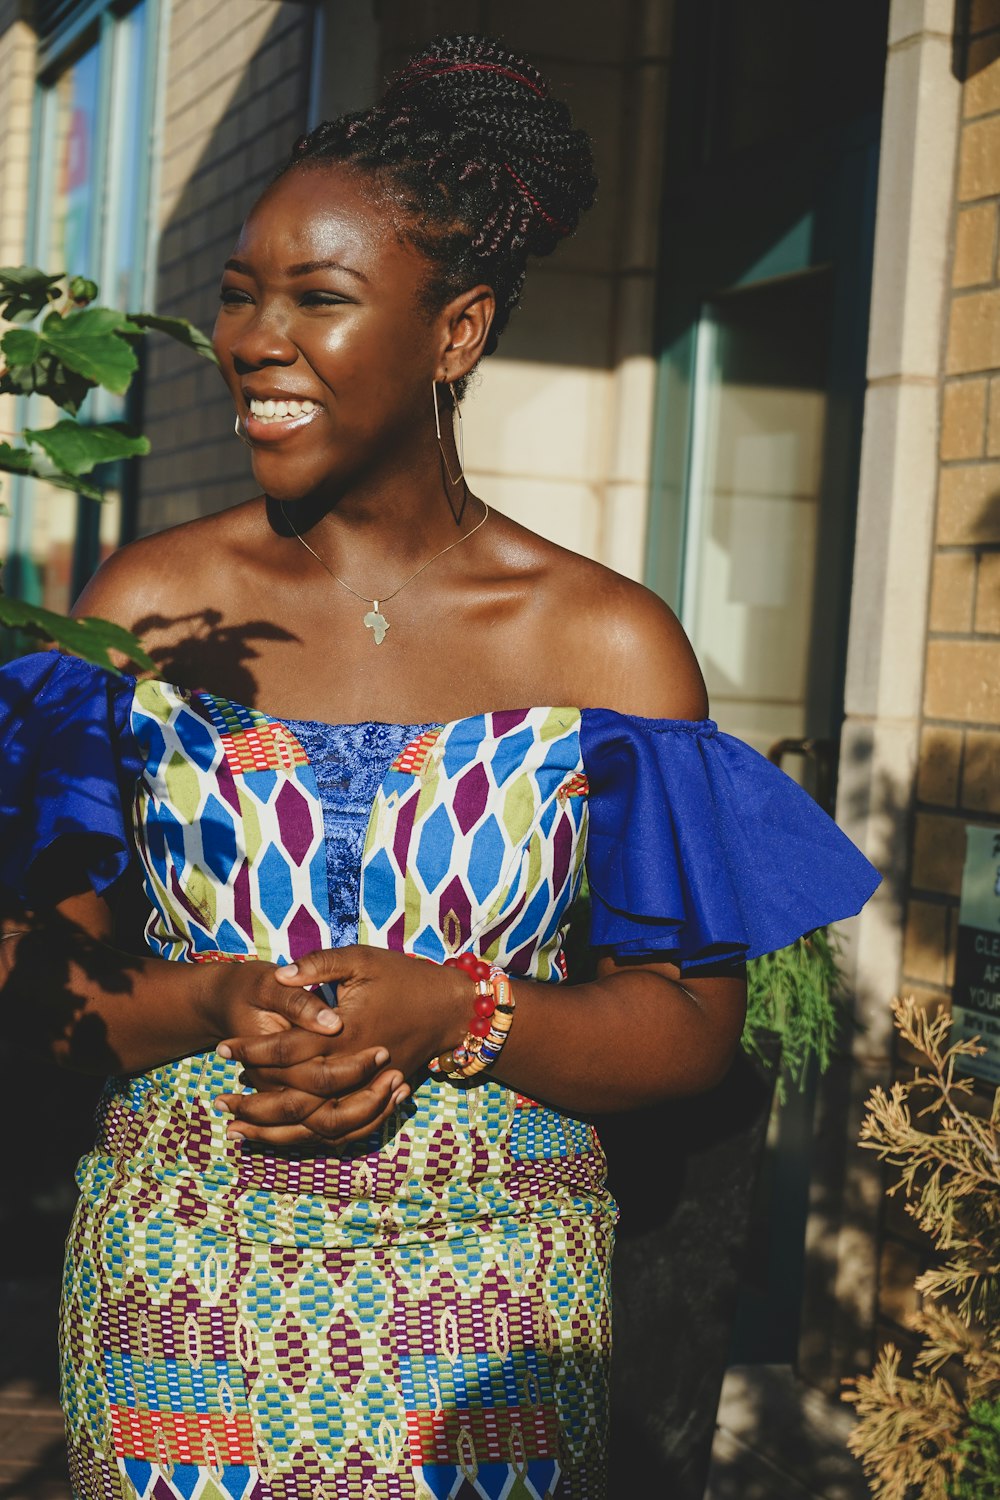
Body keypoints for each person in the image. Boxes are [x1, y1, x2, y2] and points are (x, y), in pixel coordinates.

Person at [0, 34, 879, 1500]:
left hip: (492, 1319)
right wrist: (215, 997)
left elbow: (689, 1031)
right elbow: (37, 987)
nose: (254, 338)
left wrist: (458, 1006)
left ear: (456, 331)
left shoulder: (606, 645)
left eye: (319, 299)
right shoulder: (135, 617)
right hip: (178, 1285)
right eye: (238, 294)